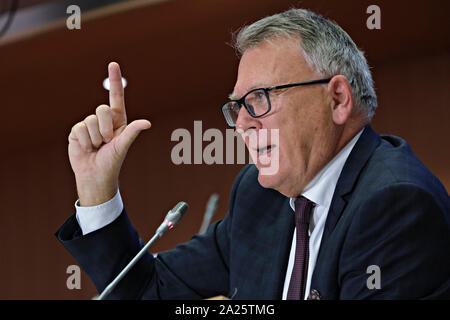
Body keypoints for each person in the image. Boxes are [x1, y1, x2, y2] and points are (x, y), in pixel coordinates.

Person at [56, 8, 450, 299]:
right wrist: (97, 191)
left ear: (337, 98)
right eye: (237, 106)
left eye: (259, 99)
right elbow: (152, 291)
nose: (242, 123)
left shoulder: (395, 204)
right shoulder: (260, 198)